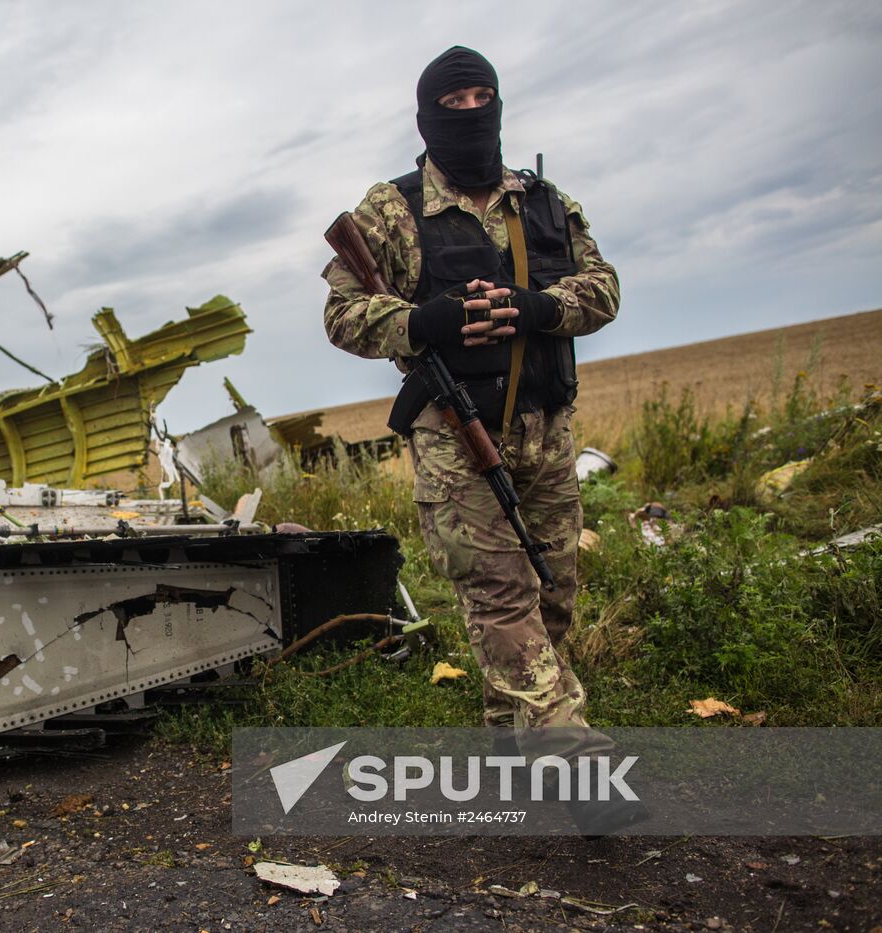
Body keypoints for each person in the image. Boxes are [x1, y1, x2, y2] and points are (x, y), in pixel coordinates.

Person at [322, 46, 639, 832]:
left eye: (481, 96)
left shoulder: (543, 201)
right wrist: (421, 321)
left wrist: (535, 308)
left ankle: (515, 753)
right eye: (452, 101)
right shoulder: (391, 210)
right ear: (427, 116)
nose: (469, 112)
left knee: (551, 599)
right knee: (501, 600)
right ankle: (579, 770)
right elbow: (341, 313)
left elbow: (602, 289)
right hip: (453, 437)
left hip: (547, 430)